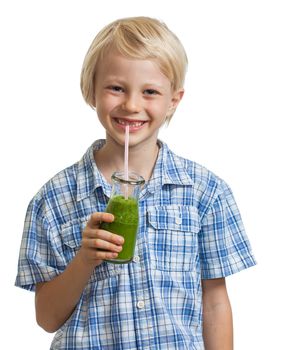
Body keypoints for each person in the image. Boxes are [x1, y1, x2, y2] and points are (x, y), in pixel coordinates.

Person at [15, 16, 256, 350]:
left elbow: (215, 303)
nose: (131, 105)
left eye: (150, 92)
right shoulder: (53, 200)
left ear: (174, 99)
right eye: (116, 88)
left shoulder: (206, 193)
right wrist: (85, 259)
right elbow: (46, 318)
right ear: (91, 90)